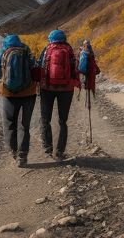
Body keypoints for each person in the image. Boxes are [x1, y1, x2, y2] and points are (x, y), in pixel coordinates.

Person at [0, 34, 37, 167]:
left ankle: (13, 152)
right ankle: (22, 156)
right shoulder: (26, 50)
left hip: (8, 93)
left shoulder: (3, 51)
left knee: (9, 124)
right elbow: (35, 67)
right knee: (25, 125)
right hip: (29, 92)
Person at [38, 30, 79, 161]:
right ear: (64, 38)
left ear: (51, 38)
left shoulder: (46, 49)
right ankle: (60, 151)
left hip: (47, 89)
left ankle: (47, 149)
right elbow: (75, 68)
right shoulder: (69, 50)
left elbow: (40, 66)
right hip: (66, 90)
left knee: (45, 119)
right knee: (62, 121)